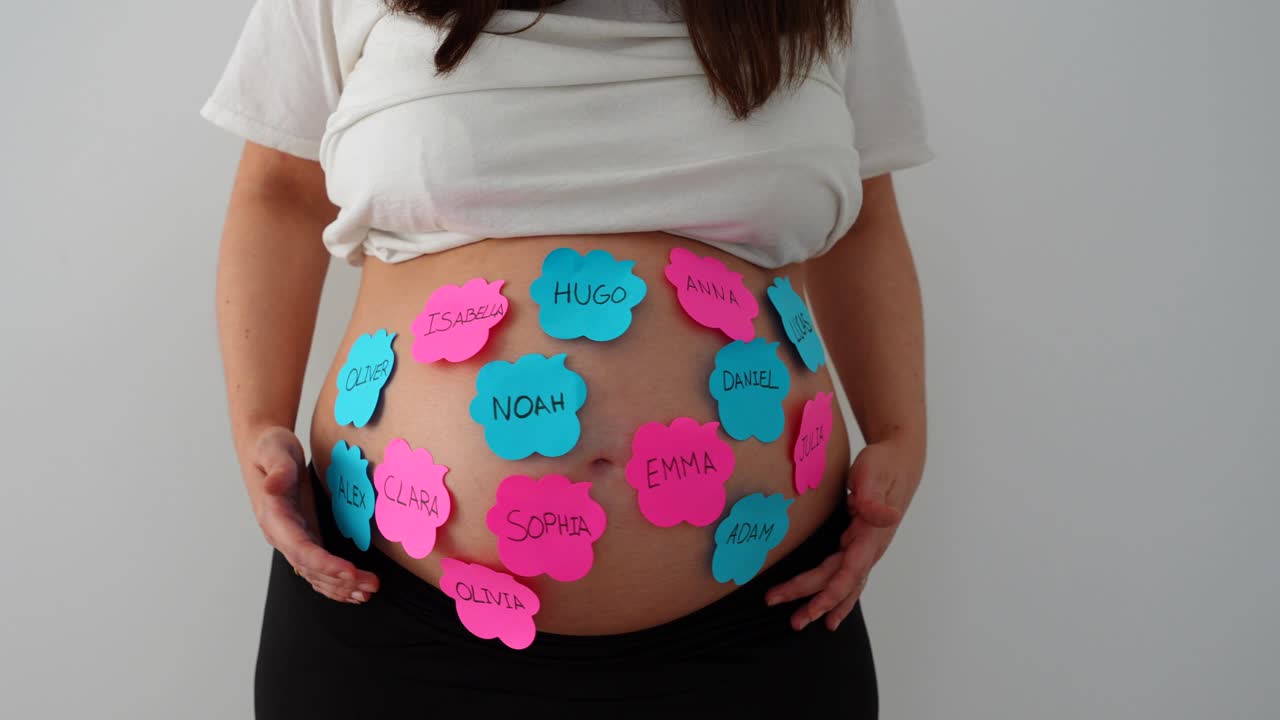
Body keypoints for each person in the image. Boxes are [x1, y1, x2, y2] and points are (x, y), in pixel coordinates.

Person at [202, 0, 931, 716]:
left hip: (764, 620)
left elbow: (864, 218)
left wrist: (901, 436)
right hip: (390, 621)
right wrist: (258, 425)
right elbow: (281, 193)